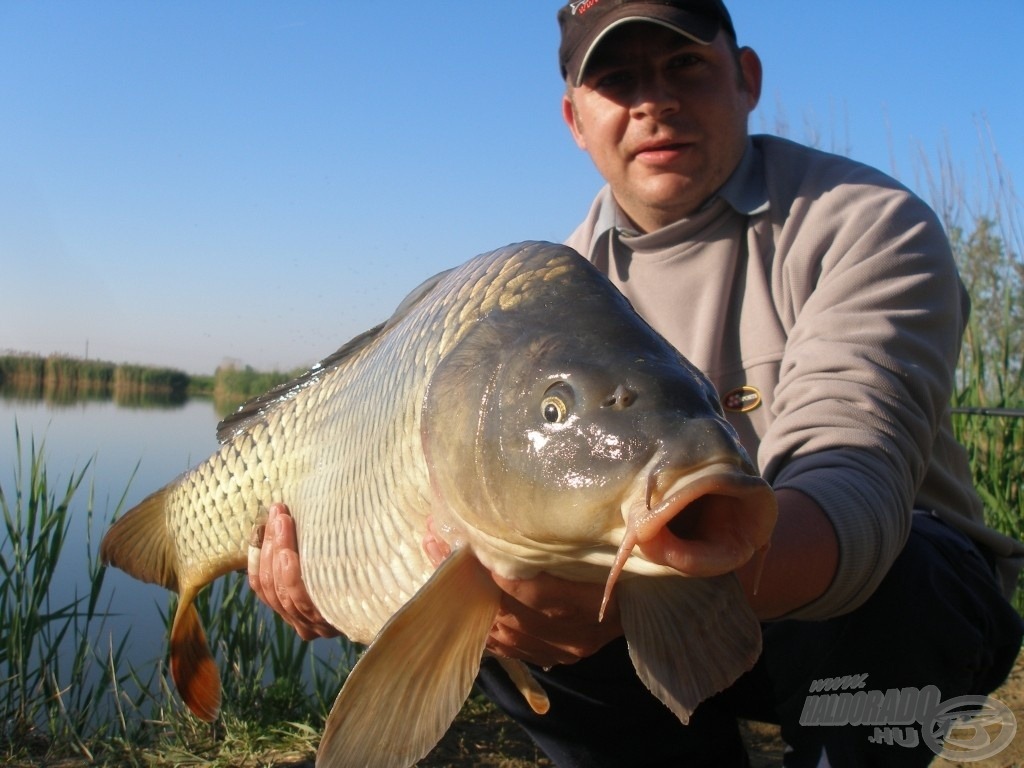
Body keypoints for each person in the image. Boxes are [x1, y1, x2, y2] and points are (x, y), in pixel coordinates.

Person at [249, 1, 1024, 765]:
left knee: (911, 579)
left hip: (855, 606)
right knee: (493, 576)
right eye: (618, 80)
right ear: (574, 119)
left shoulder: (865, 222)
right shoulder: (543, 299)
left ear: (746, 76)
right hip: (642, 606)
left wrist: (626, 589)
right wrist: (338, 574)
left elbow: (853, 490)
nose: (654, 102)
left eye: (685, 63)